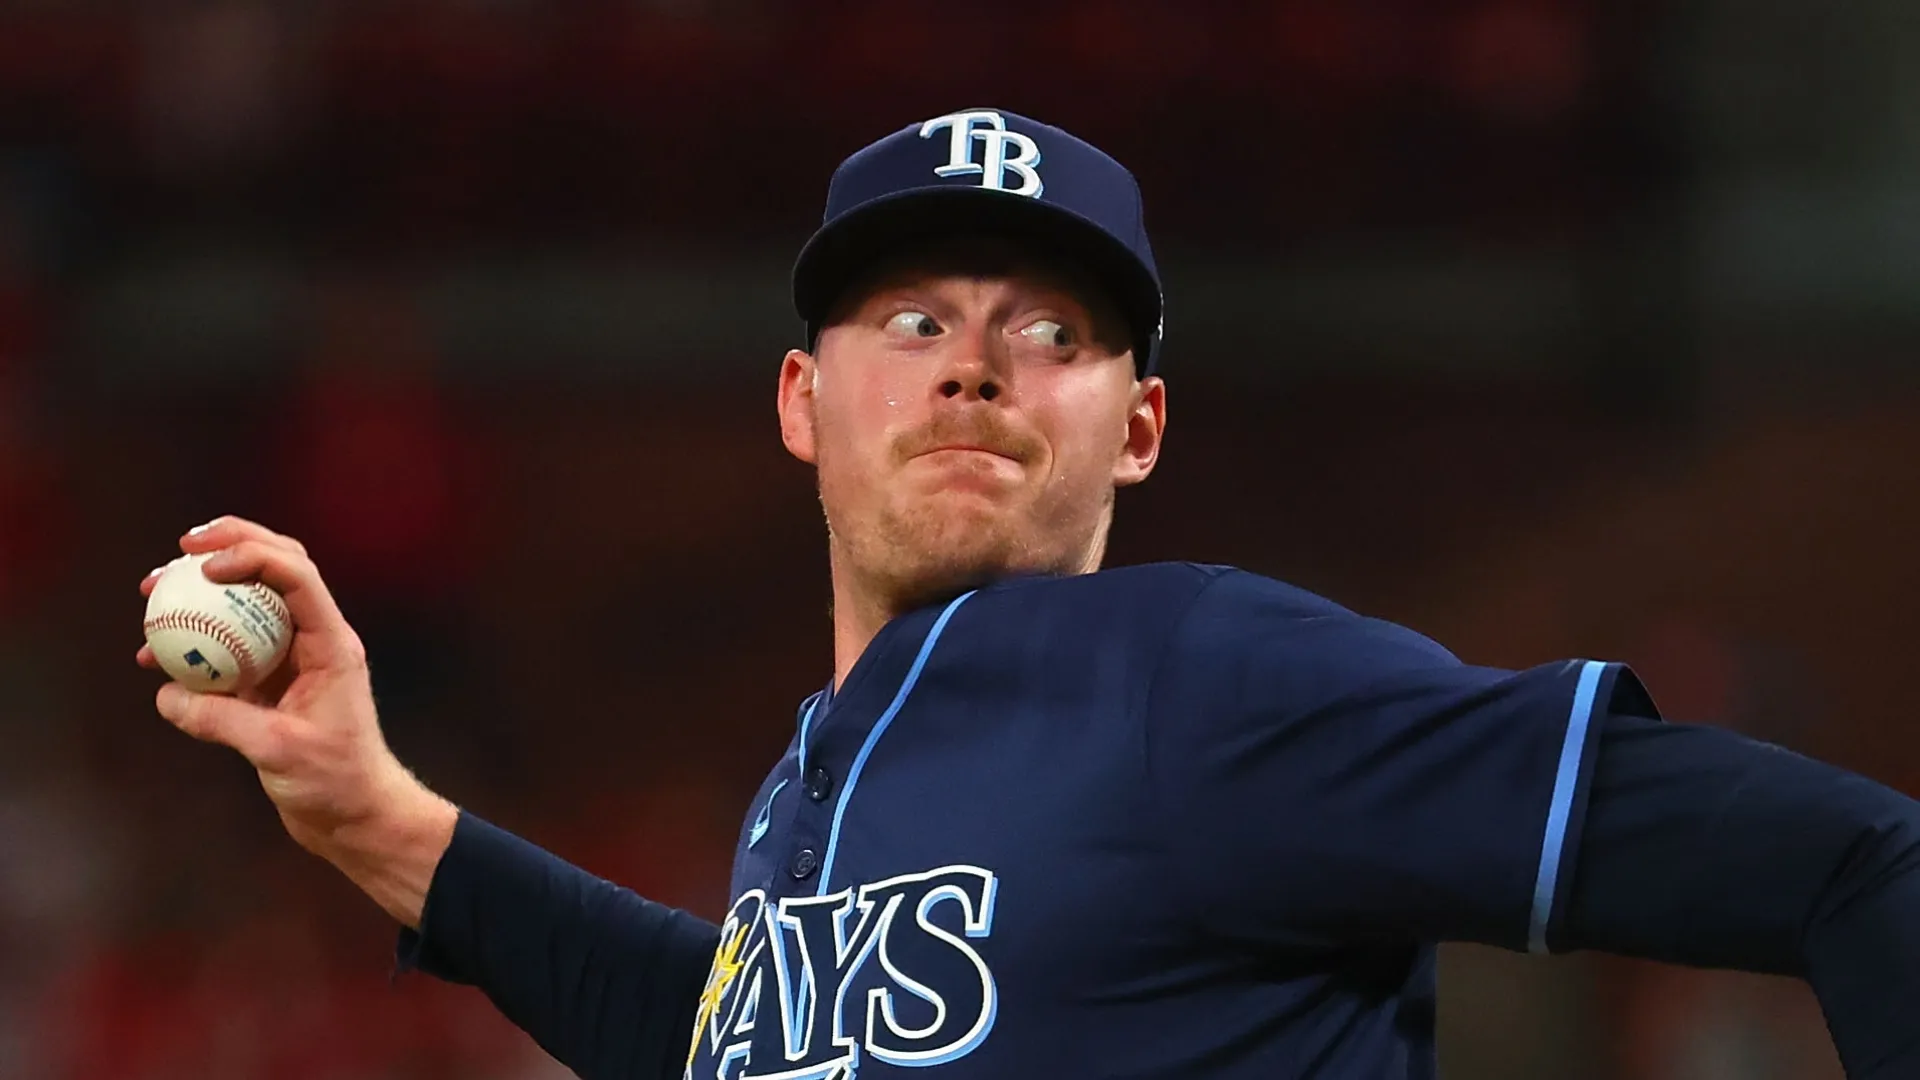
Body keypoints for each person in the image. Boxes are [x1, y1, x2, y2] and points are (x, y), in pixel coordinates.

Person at [139, 109, 1920, 1080]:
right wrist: (380, 822)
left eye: (1048, 331)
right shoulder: (822, 781)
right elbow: (729, 1041)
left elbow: (1856, 867)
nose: (976, 366)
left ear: (1136, 427)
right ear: (798, 402)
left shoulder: (1207, 674)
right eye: (914, 319)